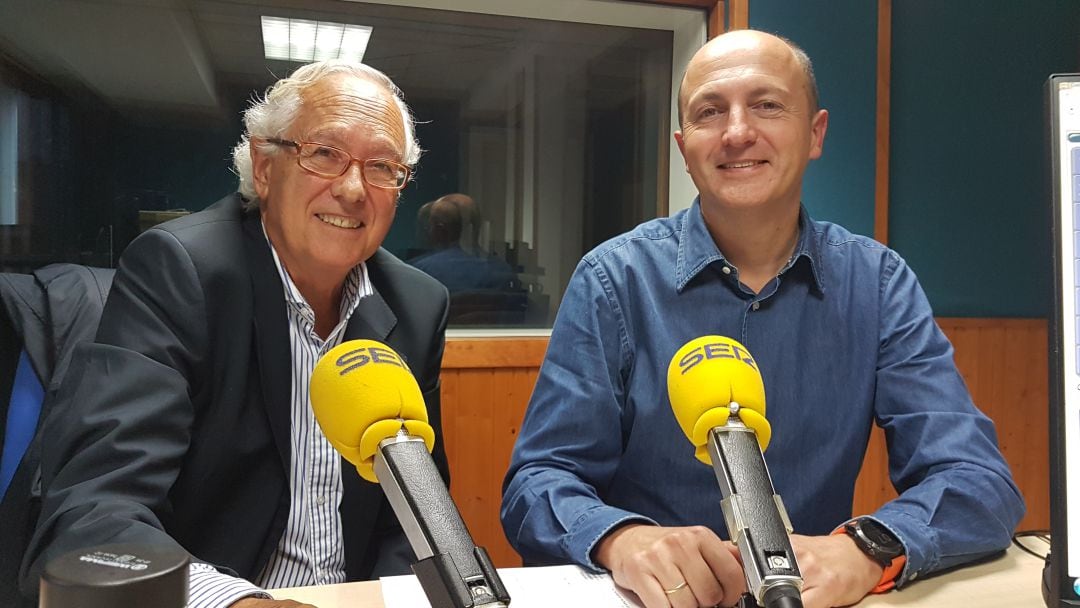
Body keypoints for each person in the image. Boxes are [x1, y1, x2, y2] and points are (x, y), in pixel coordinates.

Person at [501, 29, 1024, 608]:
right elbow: (537, 484)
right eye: (709, 112)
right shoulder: (613, 279)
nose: (737, 132)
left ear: (815, 132)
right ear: (684, 145)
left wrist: (866, 547)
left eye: (767, 104)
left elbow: (977, 481)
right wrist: (622, 540)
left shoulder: (877, 282)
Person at [20, 60, 450, 608]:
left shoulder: (417, 304)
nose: (353, 188)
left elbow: (412, 517)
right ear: (265, 166)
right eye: (324, 153)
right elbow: (95, 510)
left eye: (383, 167)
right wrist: (241, 603)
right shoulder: (180, 271)